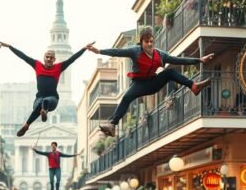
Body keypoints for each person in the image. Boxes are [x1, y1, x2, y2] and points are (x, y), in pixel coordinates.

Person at [86, 26, 214, 137]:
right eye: (147, 42)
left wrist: (199, 60)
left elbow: (178, 60)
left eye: (152, 41)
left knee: (170, 73)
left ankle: (193, 86)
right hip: (138, 84)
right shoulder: (135, 52)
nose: (150, 44)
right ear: (141, 42)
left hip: (152, 84)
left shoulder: (160, 55)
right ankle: (112, 125)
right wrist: (99, 51)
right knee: (126, 97)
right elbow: (118, 52)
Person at [0, 40, 94, 137]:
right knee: (39, 104)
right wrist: (9, 46)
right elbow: (23, 56)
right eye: (47, 57)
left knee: (46, 101)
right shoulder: (37, 65)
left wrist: (84, 49)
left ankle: (43, 111)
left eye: (51, 58)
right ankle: (27, 125)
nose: (48, 59)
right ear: (44, 58)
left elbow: (73, 59)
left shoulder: (59, 67)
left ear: (54, 59)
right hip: (39, 98)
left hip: (53, 99)